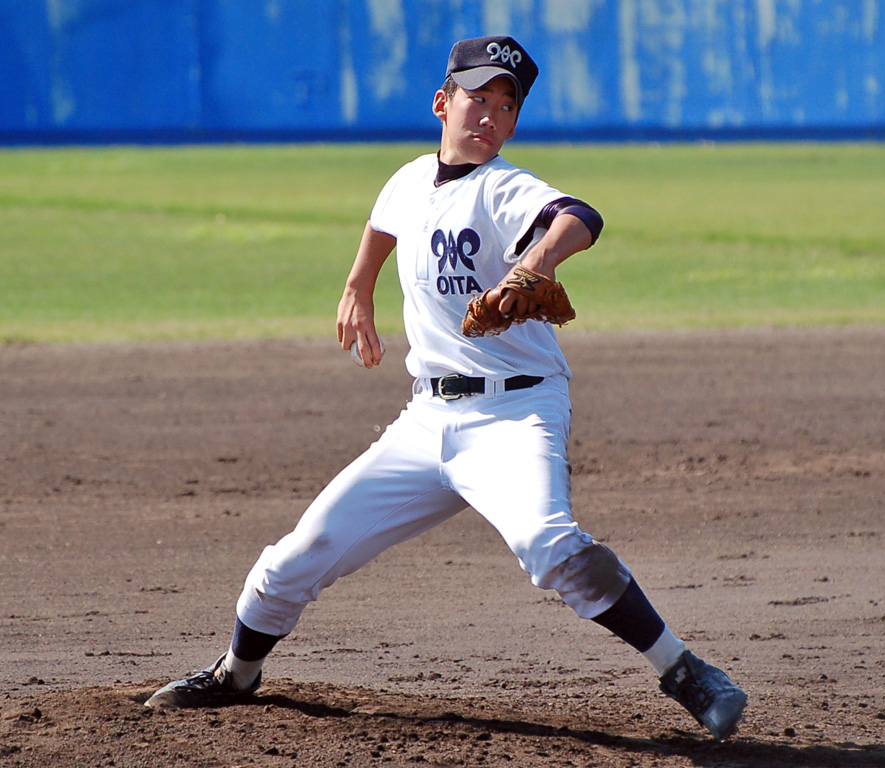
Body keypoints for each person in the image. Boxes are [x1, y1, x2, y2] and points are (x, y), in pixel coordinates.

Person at [143, 35, 747, 741]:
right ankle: (236, 675)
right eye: (478, 97)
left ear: (514, 124)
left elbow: (580, 215)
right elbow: (383, 225)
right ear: (443, 102)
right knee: (293, 557)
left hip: (516, 412)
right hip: (425, 421)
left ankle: (686, 671)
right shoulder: (406, 180)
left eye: (506, 105)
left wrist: (537, 265)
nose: (489, 115)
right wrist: (356, 288)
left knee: (550, 545)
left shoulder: (503, 187)